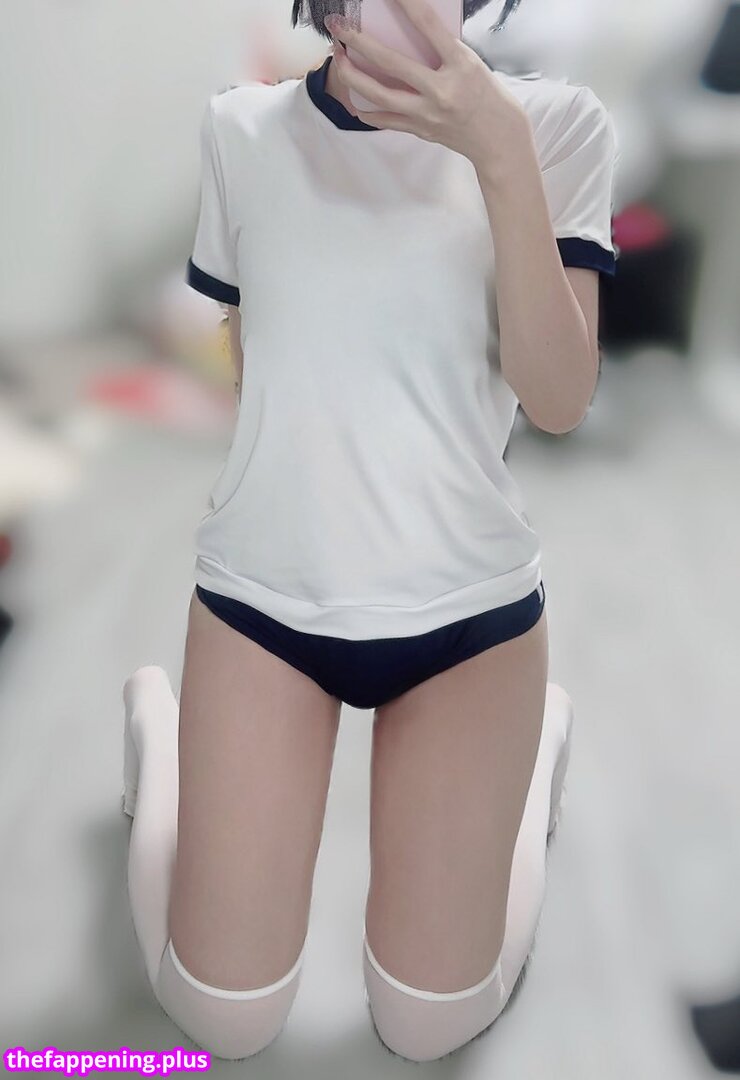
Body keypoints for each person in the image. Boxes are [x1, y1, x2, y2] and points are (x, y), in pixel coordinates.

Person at [123, 0, 618, 1062]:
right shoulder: (240, 129)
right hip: (261, 608)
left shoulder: (556, 126)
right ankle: (159, 736)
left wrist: (496, 151)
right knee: (223, 1017)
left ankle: (533, 754)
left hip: (470, 620)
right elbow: (254, 349)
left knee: (427, 1024)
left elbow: (557, 399)